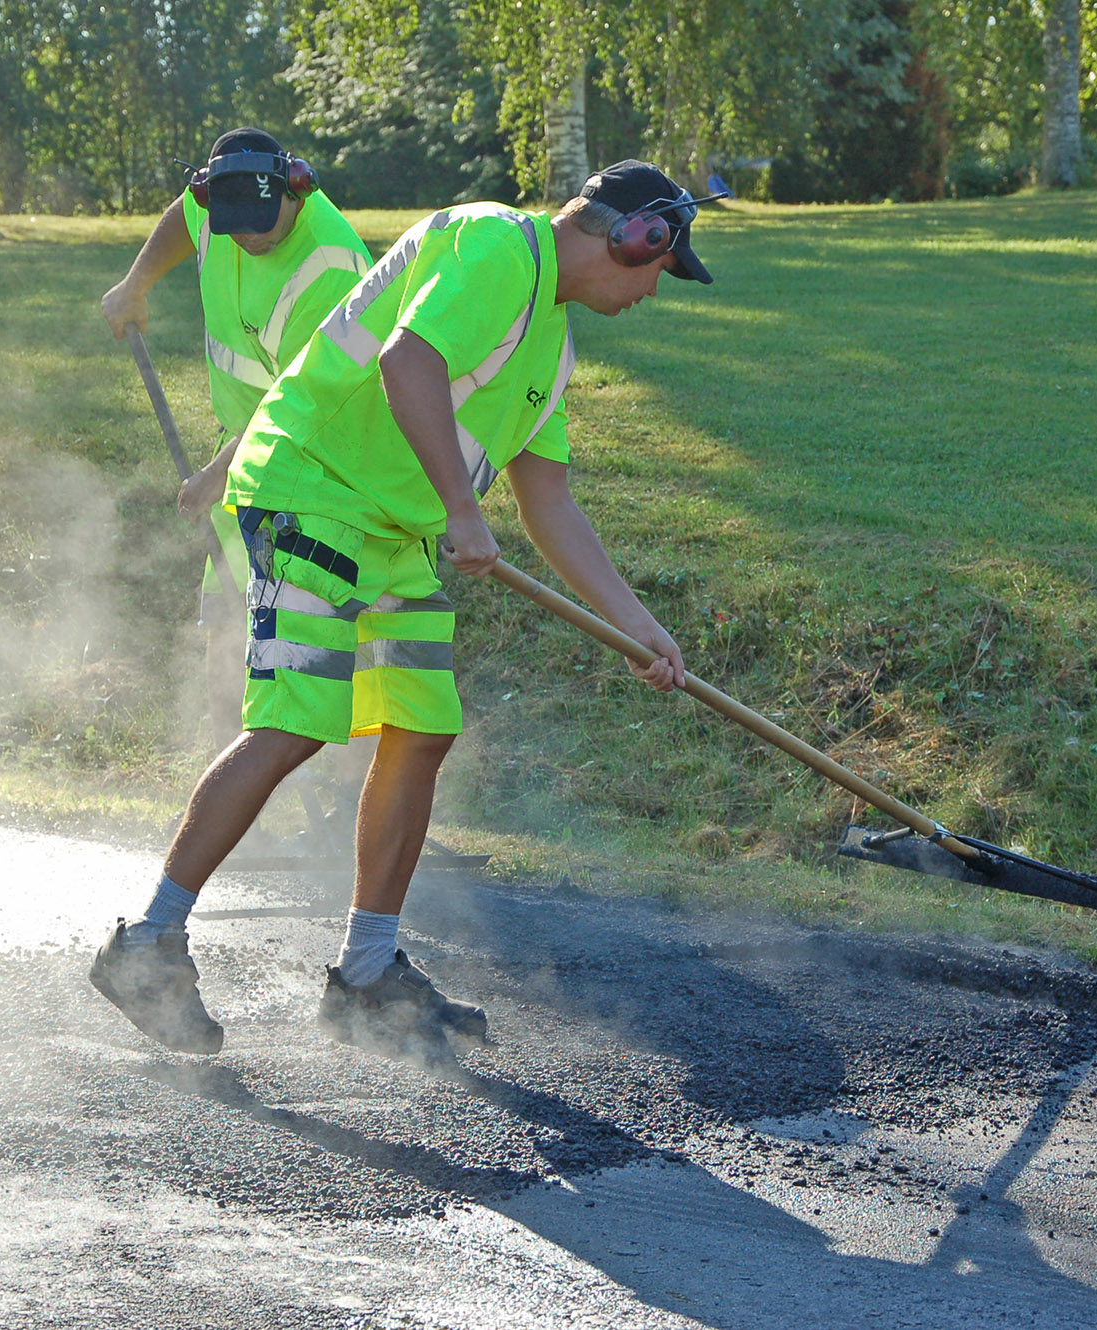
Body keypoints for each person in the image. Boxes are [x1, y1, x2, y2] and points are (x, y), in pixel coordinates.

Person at [90, 160, 717, 1059]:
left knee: (421, 729)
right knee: (299, 723)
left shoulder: (554, 344)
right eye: (664, 264)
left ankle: (368, 976)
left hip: (394, 526)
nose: (659, 287)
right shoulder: (497, 243)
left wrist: (635, 626)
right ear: (631, 236)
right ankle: (147, 944)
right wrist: (463, 512)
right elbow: (407, 359)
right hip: (312, 488)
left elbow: (552, 504)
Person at [99, 129, 371, 749]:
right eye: (235, 225)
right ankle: (234, 802)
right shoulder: (215, 205)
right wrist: (137, 281)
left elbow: (299, 402)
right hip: (244, 453)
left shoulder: (331, 265)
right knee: (225, 626)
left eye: (263, 223)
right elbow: (185, 216)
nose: (248, 237)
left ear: (296, 188)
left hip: (322, 464)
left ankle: (349, 807)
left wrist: (217, 474)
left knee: (309, 640)